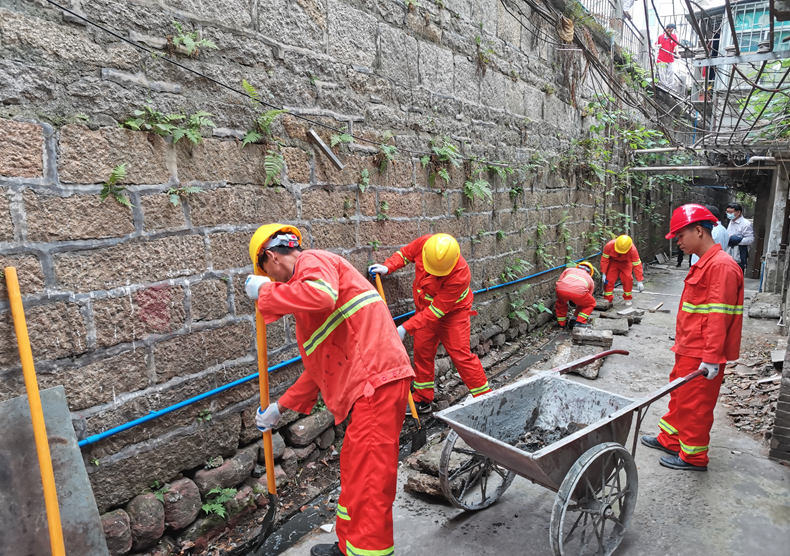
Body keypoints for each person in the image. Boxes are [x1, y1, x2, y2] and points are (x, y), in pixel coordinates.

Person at [245, 224, 415, 556]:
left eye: (269, 275)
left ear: (269, 257)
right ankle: (347, 545)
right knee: (356, 473)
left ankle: (368, 552)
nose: (276, 283)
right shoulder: (309, 306)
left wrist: (265, 293)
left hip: (375, 384)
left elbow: (321, 296)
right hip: (368, 389)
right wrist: (279, 407)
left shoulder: (313, 262)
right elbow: (318, 371)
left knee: (370, 482)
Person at [641, 204, 744, 472]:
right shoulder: (706, 263)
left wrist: (711, 359)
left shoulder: (721, 267)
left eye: (680, 235)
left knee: (696, 406)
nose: (677, 242)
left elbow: (718, 318)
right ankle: (670, 439)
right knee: (680, 397)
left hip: (702, 353)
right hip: (688, 348)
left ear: (698, 231)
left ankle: (694, 457)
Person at [369, 233, 491, 414]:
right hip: (424, 309)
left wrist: (405, 328)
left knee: (460, 355)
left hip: (453, 314)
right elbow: (404, 254)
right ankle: (422, 399)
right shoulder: (426, 244)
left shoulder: (460, 273)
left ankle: (485, 399)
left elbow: (436, 311)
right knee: (422, 350)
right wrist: (388, 267)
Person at [600, 234, 644, 307]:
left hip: (626, 263)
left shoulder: (632, 249)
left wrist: (639, 280)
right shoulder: (609, 246)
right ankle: (608, 298)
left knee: (628, 279)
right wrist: (604, 273)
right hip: (613, 262)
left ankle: (627, 298)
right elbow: (604, 260)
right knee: (609, 279)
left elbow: (637, 265)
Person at [554, 262, 596, 329]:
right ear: (590, 272)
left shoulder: (568, 270)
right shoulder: (590, 279)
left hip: (561, 289)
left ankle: (561, 324)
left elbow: (559, 281)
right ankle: (579, 322)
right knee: (590, 303)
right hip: (579, 292)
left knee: (560, 303)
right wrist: (575, 299)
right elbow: (587, 298)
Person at [725, 202, 754, 274]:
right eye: (727, 212)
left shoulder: (745, 224)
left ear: (738, 212)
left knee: (737, 275)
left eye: (730, 212)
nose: (728, 214)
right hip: (729, 253)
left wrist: (737, 240)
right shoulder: (731, 222)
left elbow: (750, 239)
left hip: (739, 255)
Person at [656, 23, 679, 88]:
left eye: (671, 31)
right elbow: (656, 44)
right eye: (668, 30)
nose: (669, 32)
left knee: (671, 71)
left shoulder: (673, 36)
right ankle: (663, 85)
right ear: (666, 29)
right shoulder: (660, 37)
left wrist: (677, 53)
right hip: (661, 58)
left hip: (670, 58)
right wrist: (659, 45)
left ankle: (669, 86)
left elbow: (676, 45)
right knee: (662, 73)